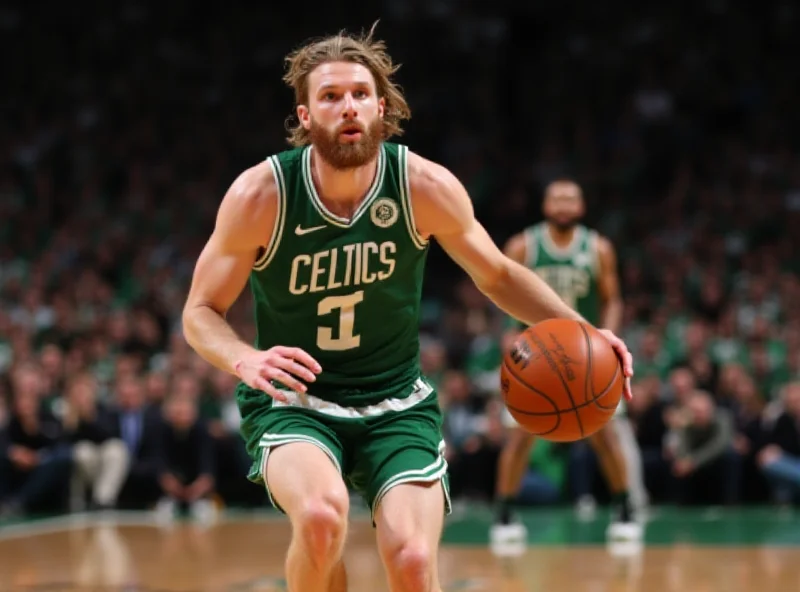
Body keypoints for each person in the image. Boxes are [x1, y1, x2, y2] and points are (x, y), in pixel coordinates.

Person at [182, 24, 633, 592]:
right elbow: (199, 311)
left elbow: (496, 273)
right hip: (294, 400)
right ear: (305, 116)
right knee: (322, 522)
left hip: (394, 401)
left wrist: (587, 330)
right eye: (330, 96)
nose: (348, 107)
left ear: (381, 107)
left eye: (360, 95)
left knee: (414, 563)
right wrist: (243, 360)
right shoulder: (260, 195)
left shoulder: (421, 184)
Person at [491, 180, 647, 551]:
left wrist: (607, 334)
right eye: (556, 198)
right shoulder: (523, 244)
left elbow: (612, 299)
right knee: (519, 436)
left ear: (581, 205)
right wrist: (509, 337)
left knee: (605, 435)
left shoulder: (597, 248)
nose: (563, 204)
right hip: (536, 357)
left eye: (570, 198)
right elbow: (502, 291)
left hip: (585, 356)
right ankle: (504, 513)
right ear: (545, 204)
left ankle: (624, 508)